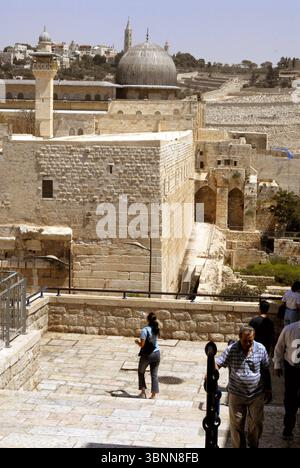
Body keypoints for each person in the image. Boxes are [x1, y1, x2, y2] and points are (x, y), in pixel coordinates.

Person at [216, 326, 272, 449]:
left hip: (256, 394)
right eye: (245, 341)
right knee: (236, 425)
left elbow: (266, 369)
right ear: (239, 337)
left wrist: (268, 389)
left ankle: (253, 444)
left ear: (254, 337)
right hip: (237, 394)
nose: (247, 344)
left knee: (256, 423)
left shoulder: (261, 349)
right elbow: (218, 362)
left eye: (250, 341)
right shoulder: (232, 349)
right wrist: (210, 372)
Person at [273, 320, 300, 441]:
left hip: (292, 369)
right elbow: (279, 348)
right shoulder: (289, 329)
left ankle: (289, 429)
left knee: (291, 400)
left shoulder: (289, 328)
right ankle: (288, 429)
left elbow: (279, 348)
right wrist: (277, 365)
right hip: (292, 370)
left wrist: (278, 365)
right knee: (290, 400)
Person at [135, 312, 160, 399]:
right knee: (154, 374)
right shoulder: (156, 328)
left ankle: (143, 392)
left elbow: (142, 345)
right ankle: (153, 395)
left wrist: (137, 342)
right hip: (157, 353)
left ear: (148, 320)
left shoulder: (145, 330)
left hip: (147, 354)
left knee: (141, 371)